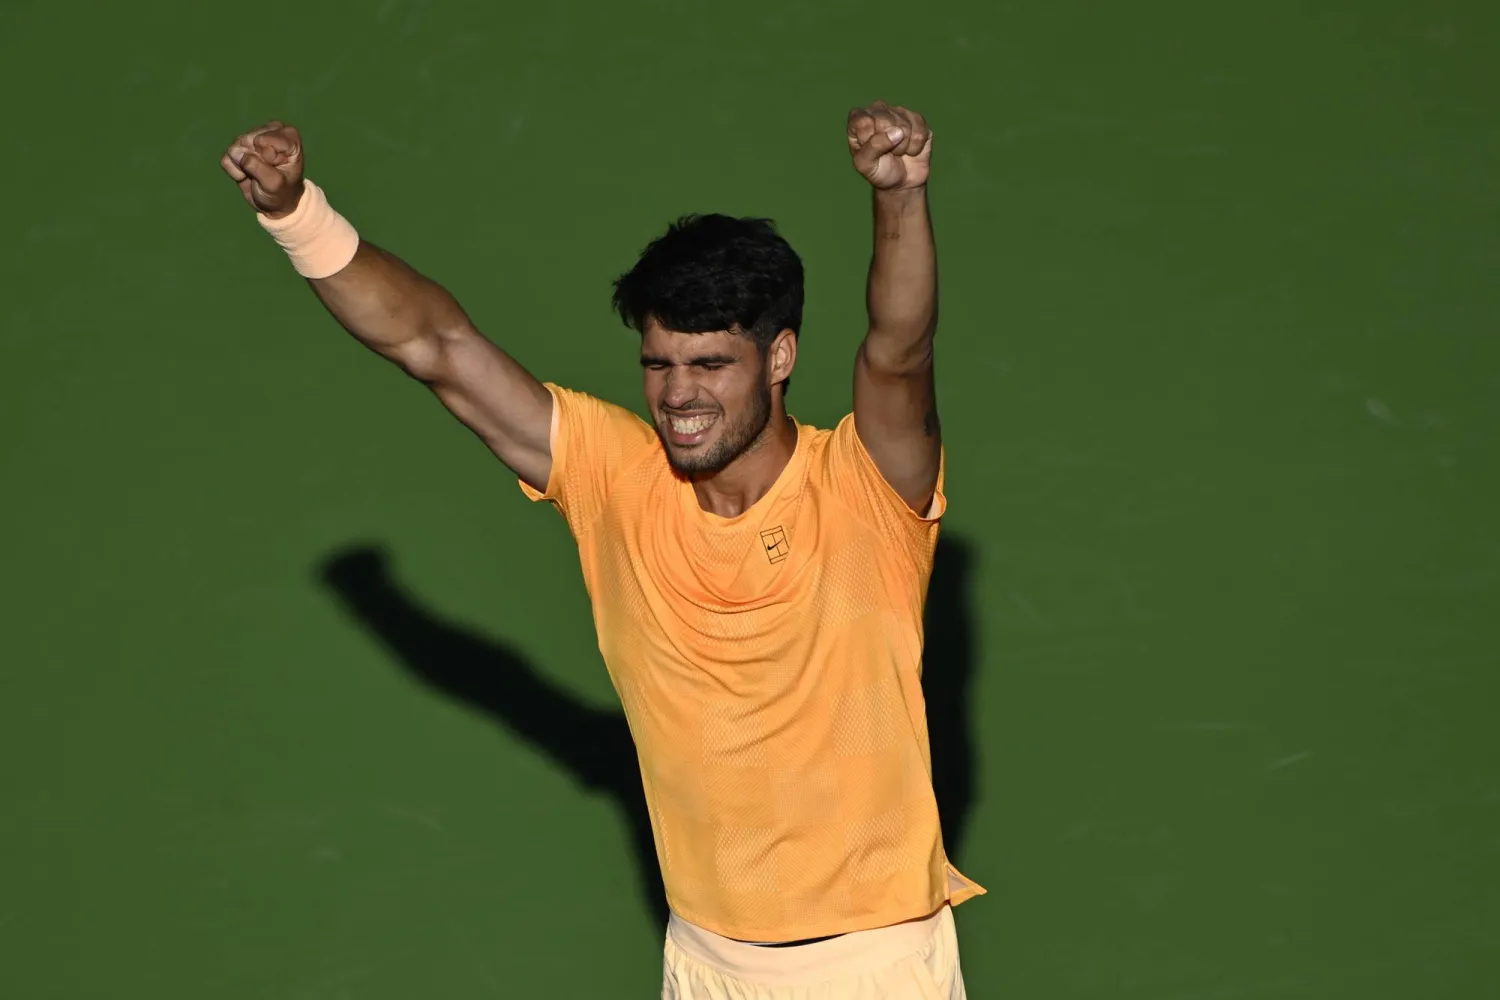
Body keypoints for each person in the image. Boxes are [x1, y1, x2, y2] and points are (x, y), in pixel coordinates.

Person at [221, 99, 983, 998]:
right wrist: (296, 213)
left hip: (870, 970)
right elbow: (436, 346)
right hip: (702, 964)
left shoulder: (867, 489)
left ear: (779, 359)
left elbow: (900, 351)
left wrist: (900, 196)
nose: (679, 396)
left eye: (710, 365)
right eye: (659, 364)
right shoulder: (615, 474)